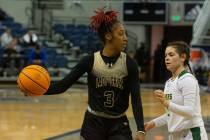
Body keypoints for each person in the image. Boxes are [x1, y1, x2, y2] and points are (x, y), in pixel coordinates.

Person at [36, 8, 145, 140]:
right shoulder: (90, 61)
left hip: (119, 123)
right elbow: (62, 86)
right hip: (93, 123)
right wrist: (37, 90)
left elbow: (136, 99)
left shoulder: (129, 64)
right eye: (121, 34)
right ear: (108, 36)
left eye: (125, 34)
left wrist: (140, 129)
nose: (126, 38)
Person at [144, 41, 208, 140]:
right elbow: (172, 114)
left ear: (183, 57)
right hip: (175, 135)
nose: (167, 58)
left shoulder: (187, 80)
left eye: (171, 54)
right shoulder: (169, 82)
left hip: (191, 134)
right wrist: (153, 123)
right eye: (166, 55)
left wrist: (167, 103)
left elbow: (190, 111)